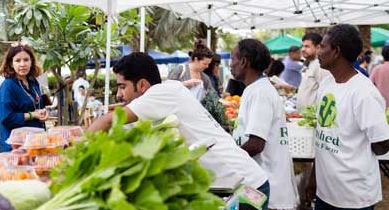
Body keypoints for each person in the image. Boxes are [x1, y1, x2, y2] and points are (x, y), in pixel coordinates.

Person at [88, 52, 269, 200]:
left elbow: (109, 121)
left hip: (245, 184)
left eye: (122, 87)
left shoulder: (161, 93)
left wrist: (79, 144)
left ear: (142, 84)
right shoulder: (163, 95)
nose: (119, 94)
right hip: (231, 183)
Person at [306, 24, 389, 210]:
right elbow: (323, 137)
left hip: (353, 196)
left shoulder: (363, 92)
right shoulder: (327, 85)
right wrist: (314, 177)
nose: (318, 51)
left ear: (337, 51)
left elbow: (383, 142)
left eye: (322, 46)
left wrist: (354, 157)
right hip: (326, 193)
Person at [230, 39, 297, 210]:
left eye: (233, 59)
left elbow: (256, 144)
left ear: (244, 61)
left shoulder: (260, 93)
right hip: (258, 180)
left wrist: (228, 160)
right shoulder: (256, 89)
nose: (230, 65)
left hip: (263, 182)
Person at [0, 43, 49, 152]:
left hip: (35, 142)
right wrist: (32, 115)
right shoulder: (8, 86)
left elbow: (36, 105)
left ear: (31, 62)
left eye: (26, 60)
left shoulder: (33, 82)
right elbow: (6, 118)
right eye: (17, 60)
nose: (22, 64)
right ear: (11, 63)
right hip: (16, 147)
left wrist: (43, 112)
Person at [295, 32, 331, 112]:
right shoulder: (312, 63)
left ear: (318, 47)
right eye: (302, 46)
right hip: (304, 117)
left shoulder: (320, 65)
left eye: (307, 46)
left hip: (313, 118)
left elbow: (326, 92)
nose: (303, 49)